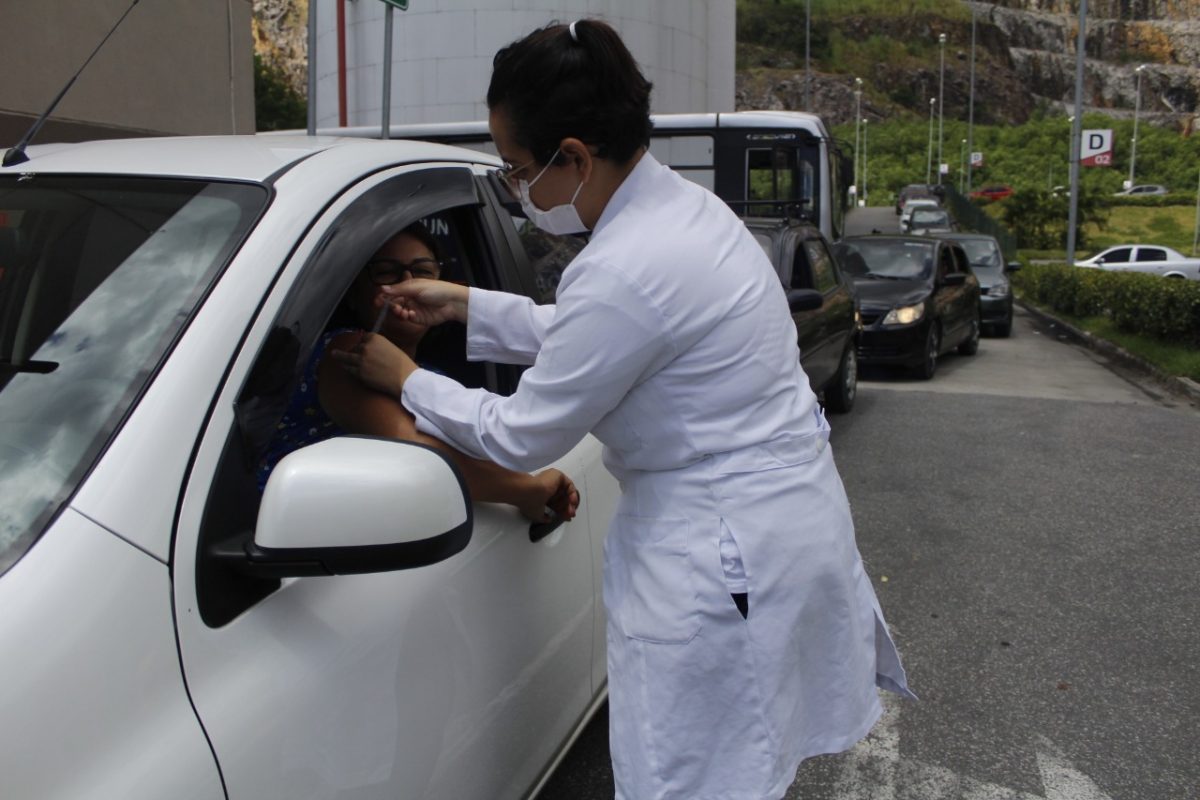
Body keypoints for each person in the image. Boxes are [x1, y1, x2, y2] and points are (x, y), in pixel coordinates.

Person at [334, 20, 912, 800]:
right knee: (740, 762)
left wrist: (405, 378)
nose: (516, 191)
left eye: (517, 169)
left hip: (719, 553)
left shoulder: (624, 267)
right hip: (779, 520)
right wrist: (464, 303)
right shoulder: (688, 213)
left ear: (574, 157)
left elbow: (522, 432)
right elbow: (609, 338)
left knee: (690, 778)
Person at [260, 222, 578, 524]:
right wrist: (529, 490)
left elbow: (484, 439)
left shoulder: (429, 376)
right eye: (386, 272)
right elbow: (420, 454)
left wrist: (407, 375)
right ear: (354, 294)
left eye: (422, 272)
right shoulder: (348, 352)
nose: (407, 284)